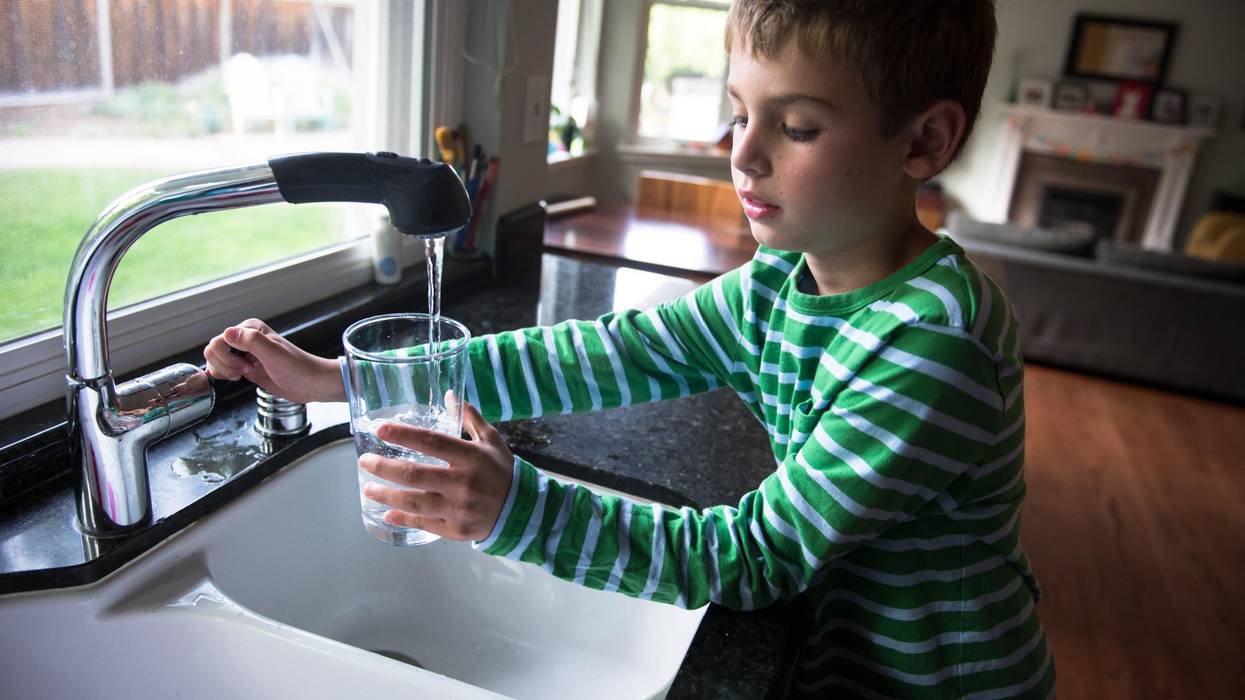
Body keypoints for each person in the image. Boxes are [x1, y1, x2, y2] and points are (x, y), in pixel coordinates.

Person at [204, 1, 1054, 695]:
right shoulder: (781, 278)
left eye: (795, 127)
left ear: (923, 143)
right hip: (841, 650)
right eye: (738, 112)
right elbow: (607, 354)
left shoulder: (930, 341)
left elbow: (759, 555)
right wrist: (337, 380)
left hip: (935, 681)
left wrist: (517, 511)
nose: (743, 153)